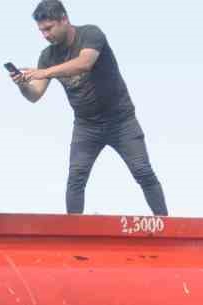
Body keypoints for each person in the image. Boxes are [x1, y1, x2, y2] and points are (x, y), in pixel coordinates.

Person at [11, 1, 168, 217]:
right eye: (41, 31)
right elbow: (34, 95)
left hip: (121, 121)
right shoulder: (47, 56)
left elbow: (85, 62)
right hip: (86, 126)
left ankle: (163, 224)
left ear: (64, 19)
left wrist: (45, 72)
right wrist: (22, 84)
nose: (45, 35)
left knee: (142, 171)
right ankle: (72, 234)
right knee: (76, 176)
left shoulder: (91, 34)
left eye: (49, 28)